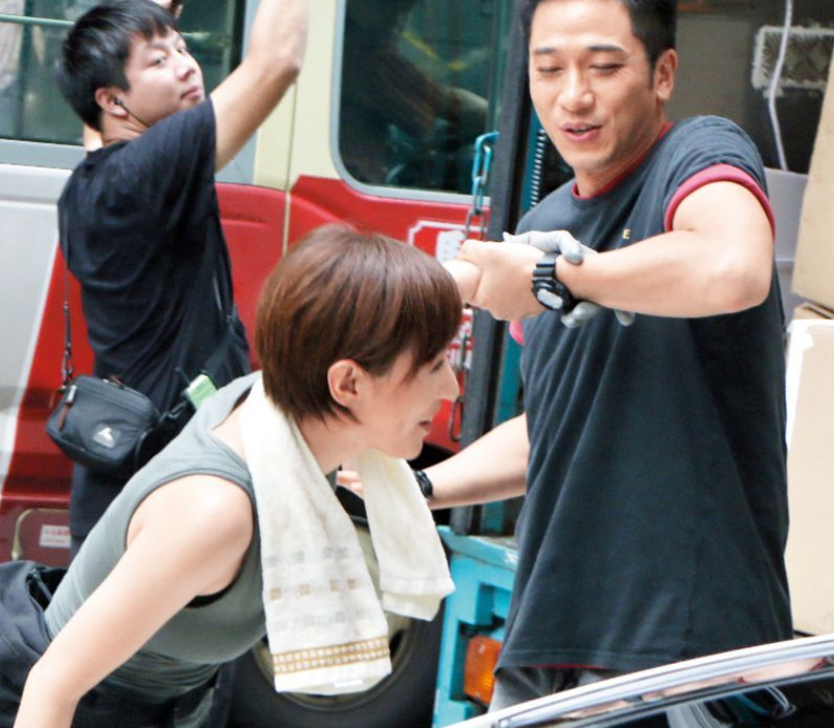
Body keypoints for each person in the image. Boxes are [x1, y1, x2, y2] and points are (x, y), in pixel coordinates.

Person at [421, 0, 791, 711]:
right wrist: (420, 489)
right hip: (546, 635)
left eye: (603, 66)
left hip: (682, 647)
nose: (574, 96)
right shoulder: (545, 223)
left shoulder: (699, 154)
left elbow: (733, 267)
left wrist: (552, 277)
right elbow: (554, 427)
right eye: (549, 69)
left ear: (663, 74)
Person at [2, 225, 461, 728]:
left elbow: (352, 306)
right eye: (434, 365)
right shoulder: (214, 513)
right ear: (348, 383)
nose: (452, 388)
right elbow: (51, 685)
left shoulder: (283, 402)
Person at [54, 0, 307, 554]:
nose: (187, 65)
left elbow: (95, 120)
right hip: (164, 495)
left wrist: (146, 22)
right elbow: (277, 61)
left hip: (128, 485)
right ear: (112, 99)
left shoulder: (94, 178)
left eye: (184, 48)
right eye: (159, 61)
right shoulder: (142, 173)